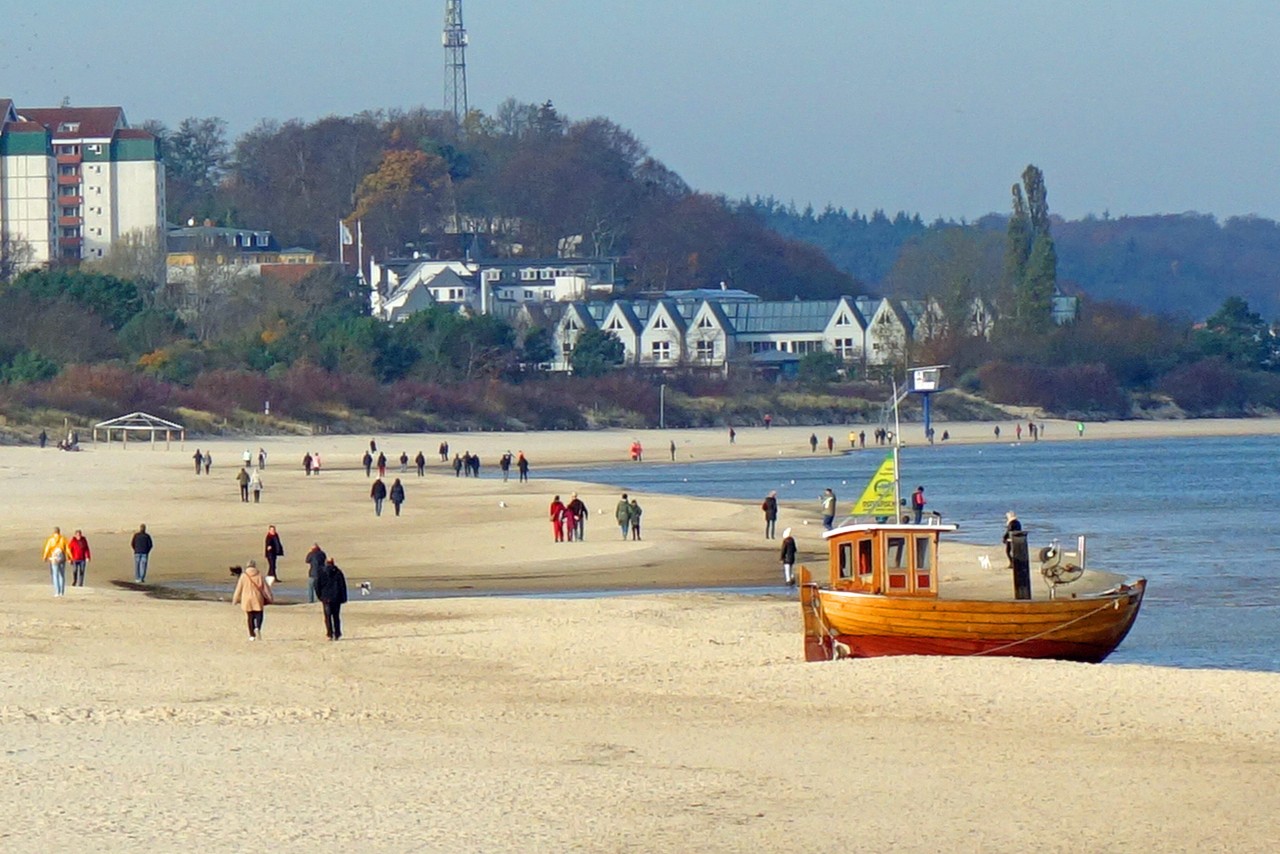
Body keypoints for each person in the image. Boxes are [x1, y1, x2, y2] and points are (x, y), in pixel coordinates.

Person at [232, 559, 273, 641]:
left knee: (250, 617)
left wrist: (235, 599)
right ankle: (258, 627)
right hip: (258, 598)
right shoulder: (259, 575)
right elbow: (265, 588)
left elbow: (239, 589)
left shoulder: (243, 576)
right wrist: (270, 597)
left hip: (246, 599)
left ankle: (252, 635)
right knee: (259, 614)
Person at [315, 557, 348, 641]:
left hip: (326, 598)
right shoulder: (338, 572)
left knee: (328, 617)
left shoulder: (321, 572)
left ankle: (330, 634)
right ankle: (337, 633)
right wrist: (343, 598)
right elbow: (342, 586)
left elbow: (317, 585)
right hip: (336, 598)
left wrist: (320, 596)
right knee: (336, 616)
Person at [42, 526, 69, 597]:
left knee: (55, 574)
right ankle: (62, 592)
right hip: (62, 558)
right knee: (62, 575)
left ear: (54, 532)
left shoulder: (51, 540)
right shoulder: (63, 539)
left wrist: (45, 557)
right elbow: (67, 549)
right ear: (59, 532)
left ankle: (57, 592)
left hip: (54, 558)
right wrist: (70, 557)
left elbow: (47, 548)